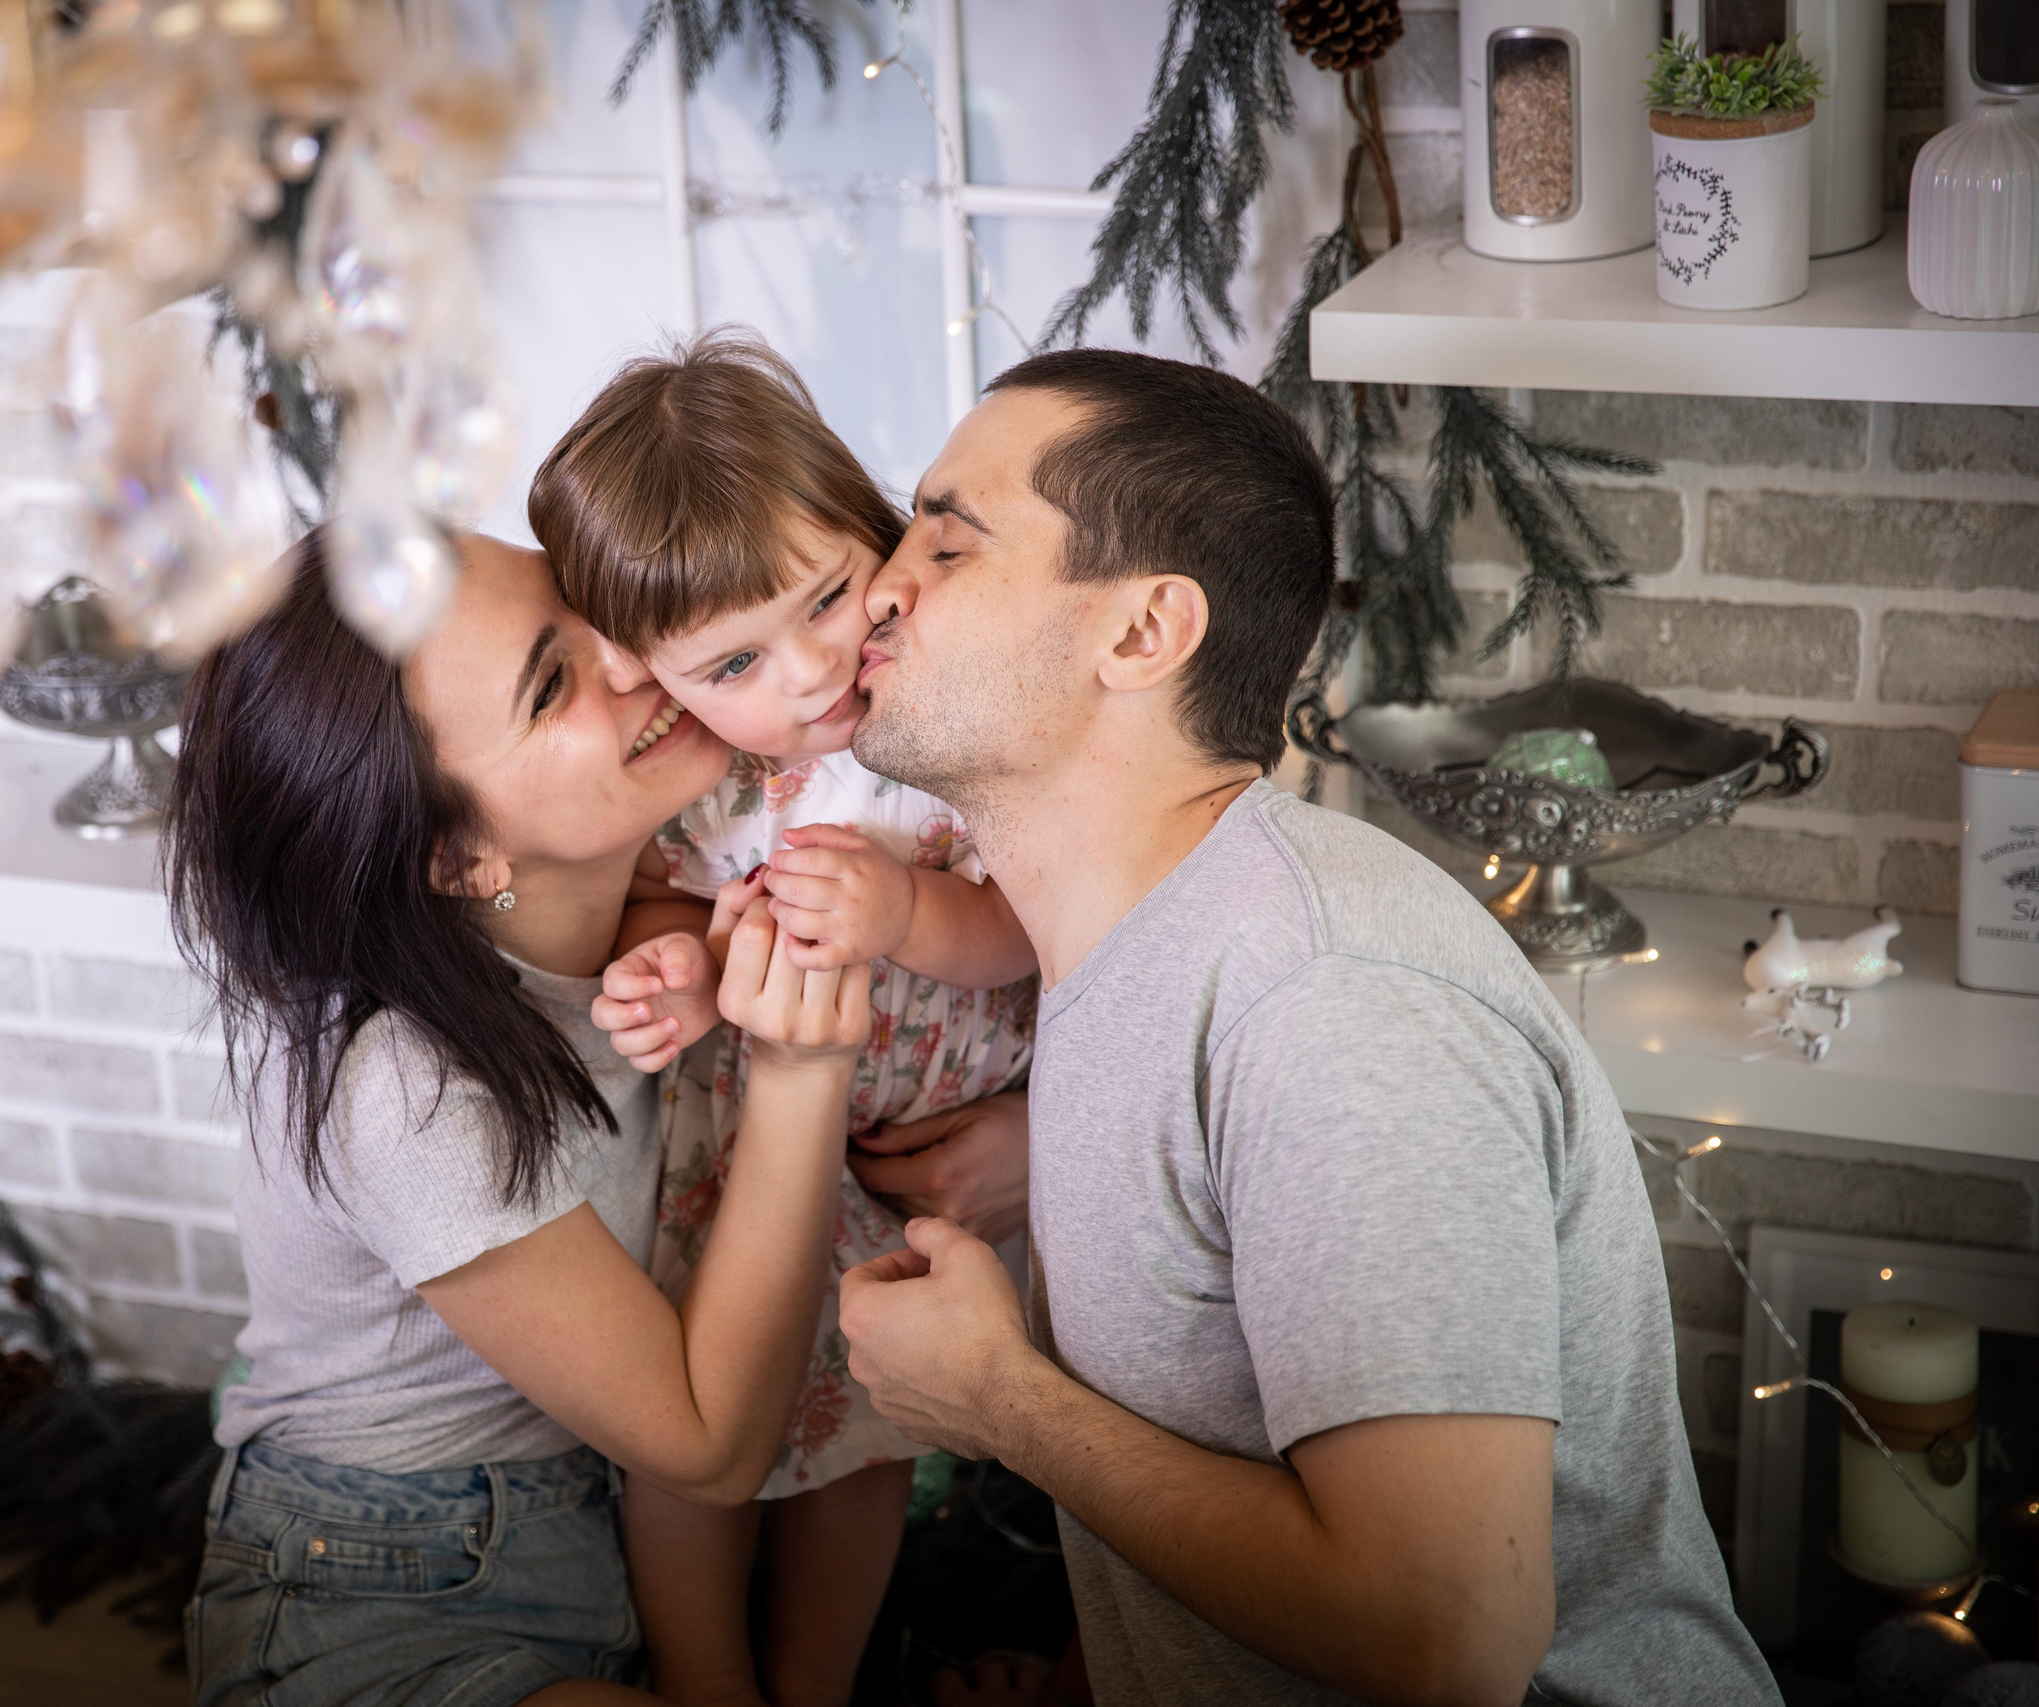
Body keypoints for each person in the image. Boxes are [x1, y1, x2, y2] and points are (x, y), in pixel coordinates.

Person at [835, 350, 1780, 1707]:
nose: (880, 582)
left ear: (1143, 632)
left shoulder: (1327, 993)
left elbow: (1446, 1636)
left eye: (947, 539)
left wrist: (1000, 1401)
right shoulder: (1118, 949)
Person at [168, 531, 873, 1707]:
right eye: (554, 684)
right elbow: (705, 1441)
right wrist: (807, 1071)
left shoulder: (691, 877)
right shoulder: (403, 1083)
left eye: (590, 607)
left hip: (615, 1533)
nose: (637, 657)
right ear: (456, 851)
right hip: (381, 1581)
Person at [529, 332, 1040, 1707]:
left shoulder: (947, 722)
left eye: (829, 595)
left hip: (937, 1128)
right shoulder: (715, 777)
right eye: (735, 661)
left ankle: (816, 1677)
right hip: (753, 1144)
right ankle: (706, 1673)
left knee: (863, 1426)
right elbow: (658, 899)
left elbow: (1036, 925)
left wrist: (910, 915)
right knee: (714, 1407)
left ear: (872, 522)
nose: (812, 671)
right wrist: (676, 973)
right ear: (660, 680)